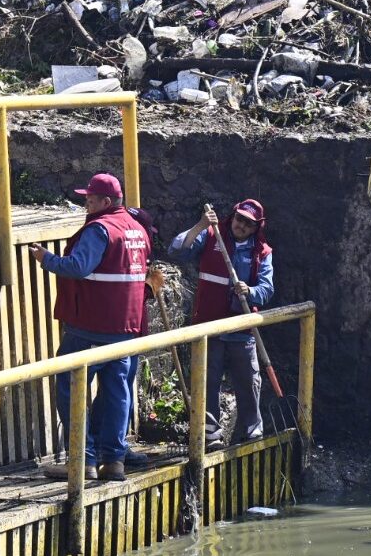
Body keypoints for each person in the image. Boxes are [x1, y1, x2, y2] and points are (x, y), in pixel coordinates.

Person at [31, 171, 150, 482]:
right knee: (117, 392)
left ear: (106, 201)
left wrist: (47, 259)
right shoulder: (137, 229)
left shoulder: (100, 229)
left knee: (70, 387)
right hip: (126, 329)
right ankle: (114, 462)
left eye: (91, 199)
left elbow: (78, 267)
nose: (86, 203)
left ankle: (82, 460)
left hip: (90, 327)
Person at [167, 198, 277, 447]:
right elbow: (177, 250)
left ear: (257, 227)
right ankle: (209, 434)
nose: (241, 226)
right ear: (233, 216)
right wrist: (200, 225)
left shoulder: (262, 252)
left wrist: (250, 291)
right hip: (209, 326)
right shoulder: (210, 235)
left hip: (241, 328)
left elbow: (267, 288)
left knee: (249, 382)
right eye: (239, 219)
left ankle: (250, 433)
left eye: (248, 224)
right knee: (207, 381)